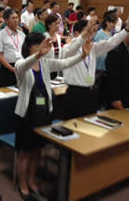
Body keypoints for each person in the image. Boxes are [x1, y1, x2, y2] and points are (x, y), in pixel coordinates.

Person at [14, 32, 91, 198]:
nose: (46, 48)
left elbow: (64, 63)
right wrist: (38, 55)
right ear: (32, 46)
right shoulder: (21, 63)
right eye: (41, 44)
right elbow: (23, 67)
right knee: (25, 152)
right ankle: (22, 183)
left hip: (42, 113)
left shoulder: (45, 63)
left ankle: (31, 180)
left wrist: (82, 56)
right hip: (27, 114)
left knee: (37, 150)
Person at [62, 13, 129, 118]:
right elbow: (73, 47)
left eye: (92, 32)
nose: (91, 35)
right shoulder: (67, 49)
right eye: (88, 32)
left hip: (91, 91)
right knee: (73, 123)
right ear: (77, 34)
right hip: (75, 93)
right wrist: (84, 35)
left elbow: (112, 42)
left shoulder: (93, 48)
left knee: (90, 123)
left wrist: (127, 29)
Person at [105, 23, 129, 109]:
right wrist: (115, 98)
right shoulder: (115, 51)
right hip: (119, 96)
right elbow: (112, 78)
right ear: (126, 35)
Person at [0, 7, 26, 87]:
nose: (16, 20)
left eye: (17, 18)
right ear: (6, 20)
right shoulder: (0, 35)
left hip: (21, 68)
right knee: (8, 93)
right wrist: (12, 69)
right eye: (13, 18)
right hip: (7, 69)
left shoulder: (22, 34)